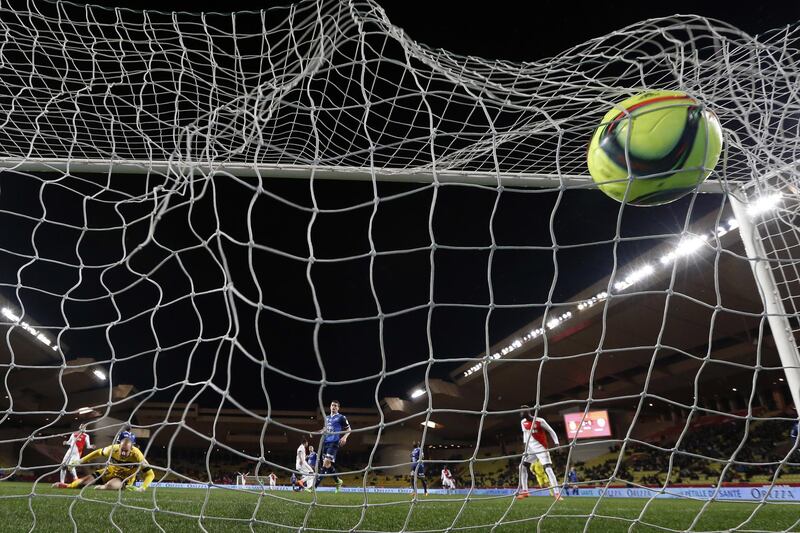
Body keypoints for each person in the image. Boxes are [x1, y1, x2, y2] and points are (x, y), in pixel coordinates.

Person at [51, 438, 154, 491]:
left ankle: (105, 487)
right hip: (107, 472)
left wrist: (142, 488)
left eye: (126, 451)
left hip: (122, 478)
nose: (123, 453)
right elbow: (98, 452)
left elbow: (150, 474)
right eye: (122, 450)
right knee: (82, 483)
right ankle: (67, 485)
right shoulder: (113, 449)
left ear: (131, 450)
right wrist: (80, 461)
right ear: (119, 446)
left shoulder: (137, 456)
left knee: (111, 485)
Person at [518, 405, 561, 501]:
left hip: (541, 448)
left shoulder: (540, 421)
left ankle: (557, 493)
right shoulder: (523, 422)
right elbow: (525, 435)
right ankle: (525, 491)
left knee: (548, 469)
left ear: (527, 412)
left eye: (521, 411)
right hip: (530, 449)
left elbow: (551, 431)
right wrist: (525, 447)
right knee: (522, 467)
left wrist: (557, 443)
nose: (520, 413)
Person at [315, 400, 350, 492]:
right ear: (330, 407)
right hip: (325, 443)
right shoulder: (326, 418)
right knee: (327, 465)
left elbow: (349, 429)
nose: (333, 407)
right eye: (332, 405)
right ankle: (338, 481)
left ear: (338, 408)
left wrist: (345, 437)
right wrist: (315, 432)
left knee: (325, 463)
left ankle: (314, 486)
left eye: (335, 406)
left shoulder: (341, 417)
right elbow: (324, 430)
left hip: (334, 443)